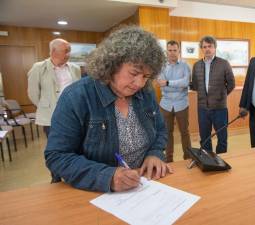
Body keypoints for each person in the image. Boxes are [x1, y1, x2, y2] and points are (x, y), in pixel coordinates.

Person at [44, 26, 172, 192]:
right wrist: (107, 176)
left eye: (146, 76)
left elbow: (160, 129)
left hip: (143, 185)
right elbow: (57, 156)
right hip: (94, 192)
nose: (140, 83)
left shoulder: (145, 92)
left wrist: (155, 153)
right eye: (134, 73)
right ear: (112, 64)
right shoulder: (76, 96)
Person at [27, 38, 81, 137]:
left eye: (69, 51)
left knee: (75, 143)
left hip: (73, 114)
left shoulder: (75, 68)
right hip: (50, 116)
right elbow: (33, 93)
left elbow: (79, 90)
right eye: (65, 51)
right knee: (55, 145)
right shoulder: (38, 68)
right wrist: (45, 105)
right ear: (53, 51)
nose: (68, 54)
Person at [191, 36, 235, 154]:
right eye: (204, 47)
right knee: (204, 138)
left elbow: (231, 83)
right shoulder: (196, 65)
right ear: (202, 49)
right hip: (202, 109)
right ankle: (207, 160)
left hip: (220, 109)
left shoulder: (224, 64)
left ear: (215, 47)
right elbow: (194, 85)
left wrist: (222, 96)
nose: (207, 49)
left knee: (222, 138)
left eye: (210, 46)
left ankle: (221, 161)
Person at [157, 40, 192, 162]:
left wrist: (168, 83)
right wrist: (176, 84)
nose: (172, 53)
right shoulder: (161, 66)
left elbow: (185, 82)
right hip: (165, 104)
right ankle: (168, 159)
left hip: (181, 104)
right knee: (167, 133)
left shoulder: (185, 66)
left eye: (174, 50)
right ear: (167, 51)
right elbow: (161, 84)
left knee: (185, 132)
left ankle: (188, 157)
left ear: (179, 51)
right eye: (170, 50)